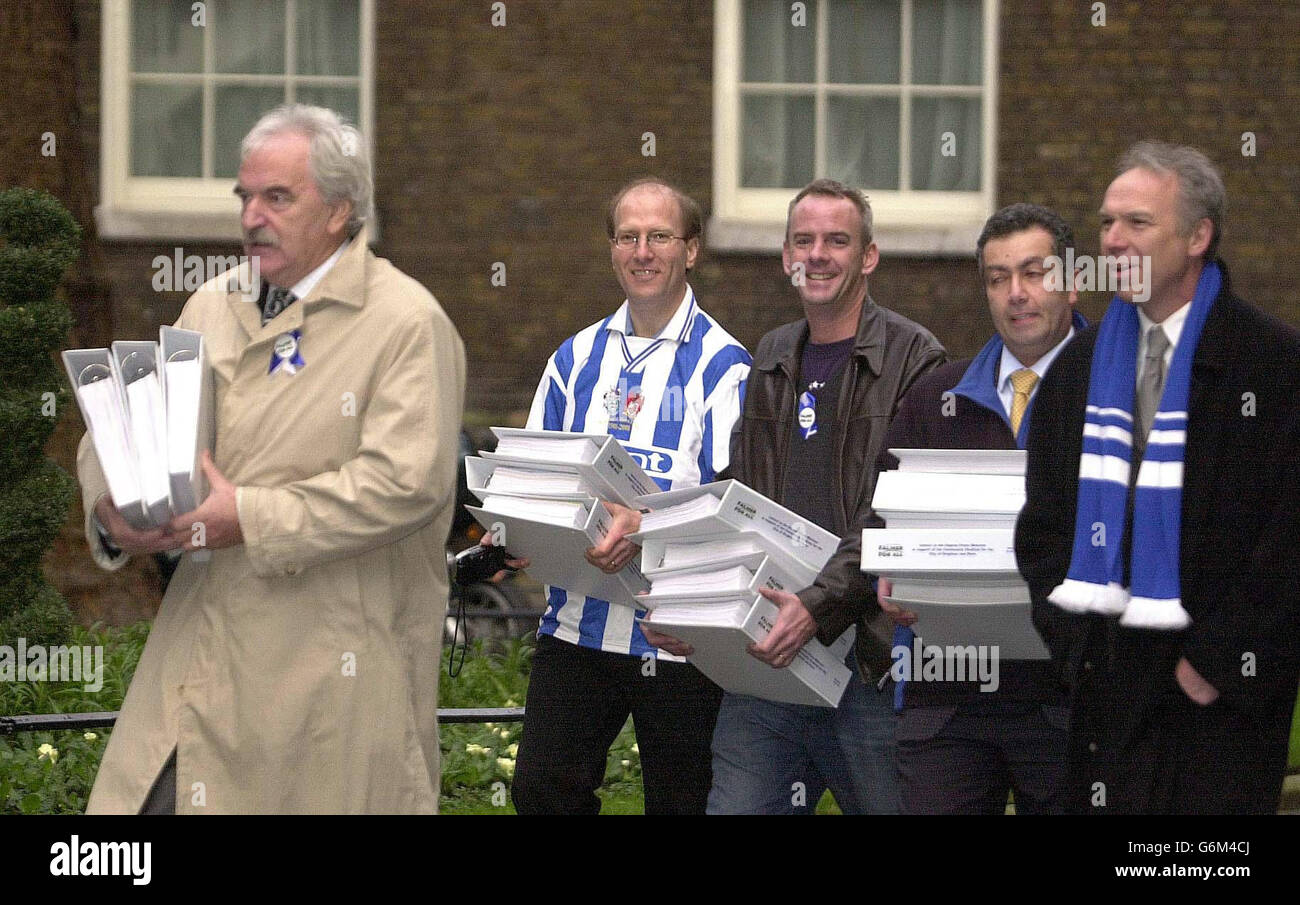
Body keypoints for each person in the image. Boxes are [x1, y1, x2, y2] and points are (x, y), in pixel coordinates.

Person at [78, 104, 466, 813]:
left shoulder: (408, 323)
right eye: (244, 196)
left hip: (329, 690)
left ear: (339, 209)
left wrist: (248, 515)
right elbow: (133, 424)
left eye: (277, 197)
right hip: (198, 663)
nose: (252, 215)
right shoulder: (212, 304)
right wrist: (113, 505)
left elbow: (407, 483)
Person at [1015, 141, 1300, 814]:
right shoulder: (1078, 368)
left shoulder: (1270, 366)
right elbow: (1045, 526)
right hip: (1106, 708)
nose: (1112, 239)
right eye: (1108, 222)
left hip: (1219, 713)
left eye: (1137, 223)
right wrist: (1080, 650)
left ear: (1198, 235)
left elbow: (1288, 539)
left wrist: (1217, 665)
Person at [649, 178, 946, 814]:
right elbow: (738, 499)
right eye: (803, 241)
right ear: (786, 256)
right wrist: (691, 608)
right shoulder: (773, 355)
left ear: (868, 256)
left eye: (837, 241)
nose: (818, 255)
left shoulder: (915, 358)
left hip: (866, 661)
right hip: (767, 664)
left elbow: (899, 510)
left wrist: (814, 607)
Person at [509, 177, 751, 815]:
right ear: (612, 249)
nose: (642, 251)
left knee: (683, 804)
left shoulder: (725, 365)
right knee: (541, 792)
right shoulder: (573, 358)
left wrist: (646, 525)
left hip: (679, 639)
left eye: (660, 237)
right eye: (627, 237)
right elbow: (534, 479)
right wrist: (509, 530)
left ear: (691, 250)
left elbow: (740, 508)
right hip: (576, 629)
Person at [876, 203, 1086, 814]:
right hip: (948, 694)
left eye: (1034, 273)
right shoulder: (933, 400)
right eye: (998, 279)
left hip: (1070, 693)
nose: (1016, 294)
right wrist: (886, 570)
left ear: (1072, 280)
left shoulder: (1115, 392)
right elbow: (884, 511)